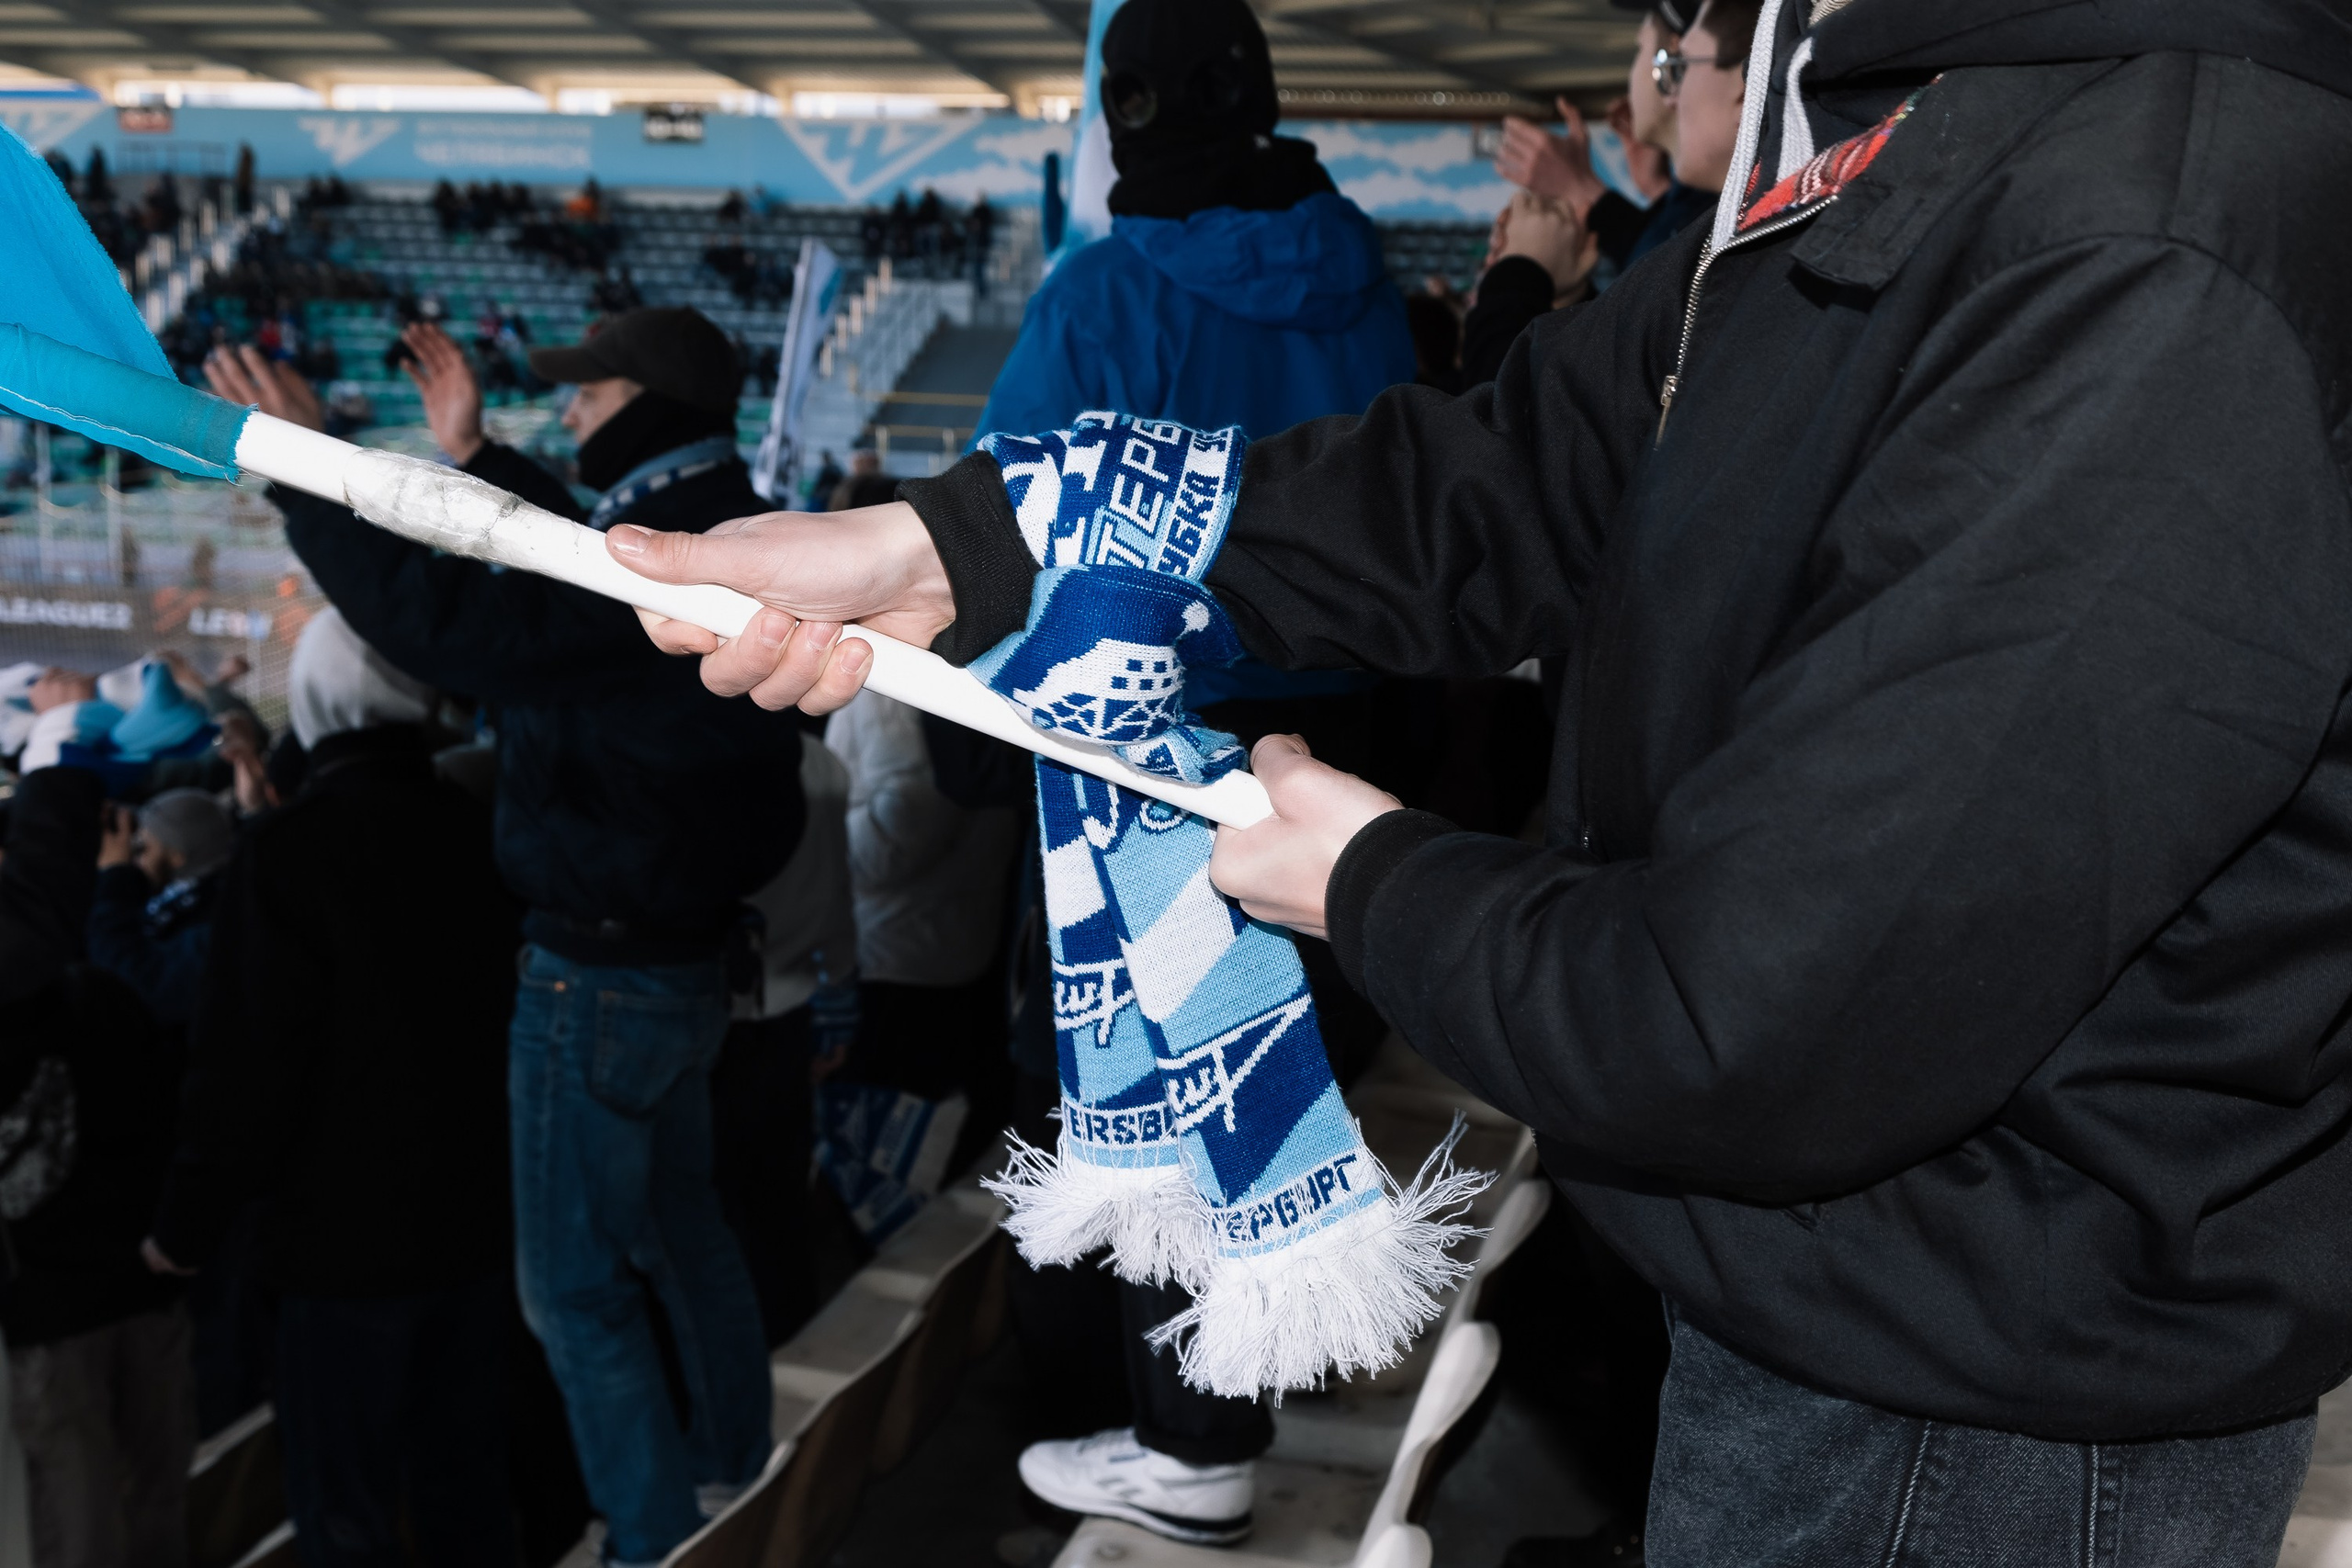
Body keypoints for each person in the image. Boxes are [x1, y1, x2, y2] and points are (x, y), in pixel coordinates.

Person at [609, 0, 2352, 1562]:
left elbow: (1765, 1008)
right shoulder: (1950, 108)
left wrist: (1370, 879)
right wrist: (969, 545)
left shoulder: (2151, 233)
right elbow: (1519, 461)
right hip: (1855, 1300)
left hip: (1983, 1397)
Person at [893, 0, 1415, 1543]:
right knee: (1279, 1072)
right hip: (1344, 746)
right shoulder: (1363, 273)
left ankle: (1187, 1443)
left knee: (1161, 1085)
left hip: (1149, 756)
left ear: (1123, 115)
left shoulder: (1106, 293)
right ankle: (1248, 1371)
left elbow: (1000, 548)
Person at [202, 308, 803, 1568]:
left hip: (600, 975)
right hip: (682, 960)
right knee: (681, 1233)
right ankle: (731, 1466)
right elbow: (583, 570)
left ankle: (655, 1539)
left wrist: (309, 474)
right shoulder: (721, 524)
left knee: (573, 1290)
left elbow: (462, 628)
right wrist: (478, 458)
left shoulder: (664, 566)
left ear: (649, 401)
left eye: (590, 392)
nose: (571, 411)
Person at [145, 609, 522, 1568]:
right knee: (468, 1490)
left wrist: (186, 1224)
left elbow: (243, 1067)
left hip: (339, 1249)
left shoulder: (288, 850)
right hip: (479, 1226)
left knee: (348, 1508)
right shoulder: (482, 828)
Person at [1, 763, 192, 1568]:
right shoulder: (110, 990)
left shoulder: (83, 990)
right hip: (143, 1285)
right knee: (155, 1503)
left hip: (51, 1313)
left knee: (78, 1521)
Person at [84, 786, 234, 1043]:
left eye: (143, 848)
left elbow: (136, 981)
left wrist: (115, 876)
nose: (135, 858)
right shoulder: (189, 893)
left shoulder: (213, 914)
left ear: (177, 857)